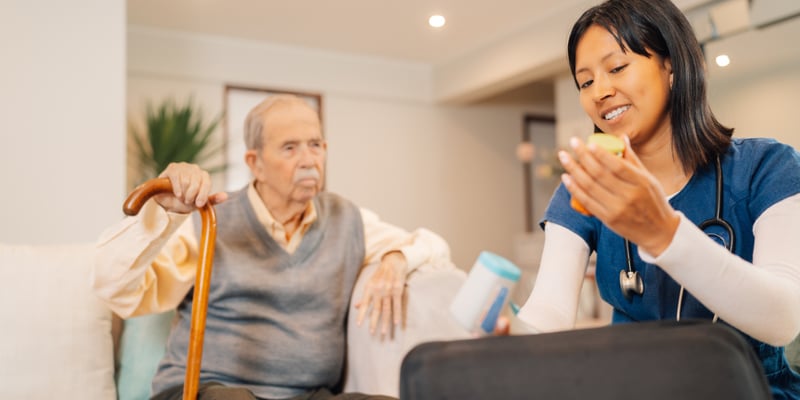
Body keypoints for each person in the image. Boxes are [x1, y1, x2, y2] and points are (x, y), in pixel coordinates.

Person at [515, 0, 800, 397]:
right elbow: (550, 308)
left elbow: (783, 318)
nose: (601, 91)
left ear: (671, 66)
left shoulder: (767, 167)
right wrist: (514, 345)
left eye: (616, 68)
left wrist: (662, 233)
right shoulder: (586, 186)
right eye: (585, 81)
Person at [91, 94, 450, 400]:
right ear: (255, 163)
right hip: (205, 390)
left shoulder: (347, 219)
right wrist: (162, 216)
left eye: (316, 145)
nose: (309, 159)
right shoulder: (209, 220)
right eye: (290, 148)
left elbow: (432, 245)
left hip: (303, 395)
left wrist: (397, 259)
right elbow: (115, 289)